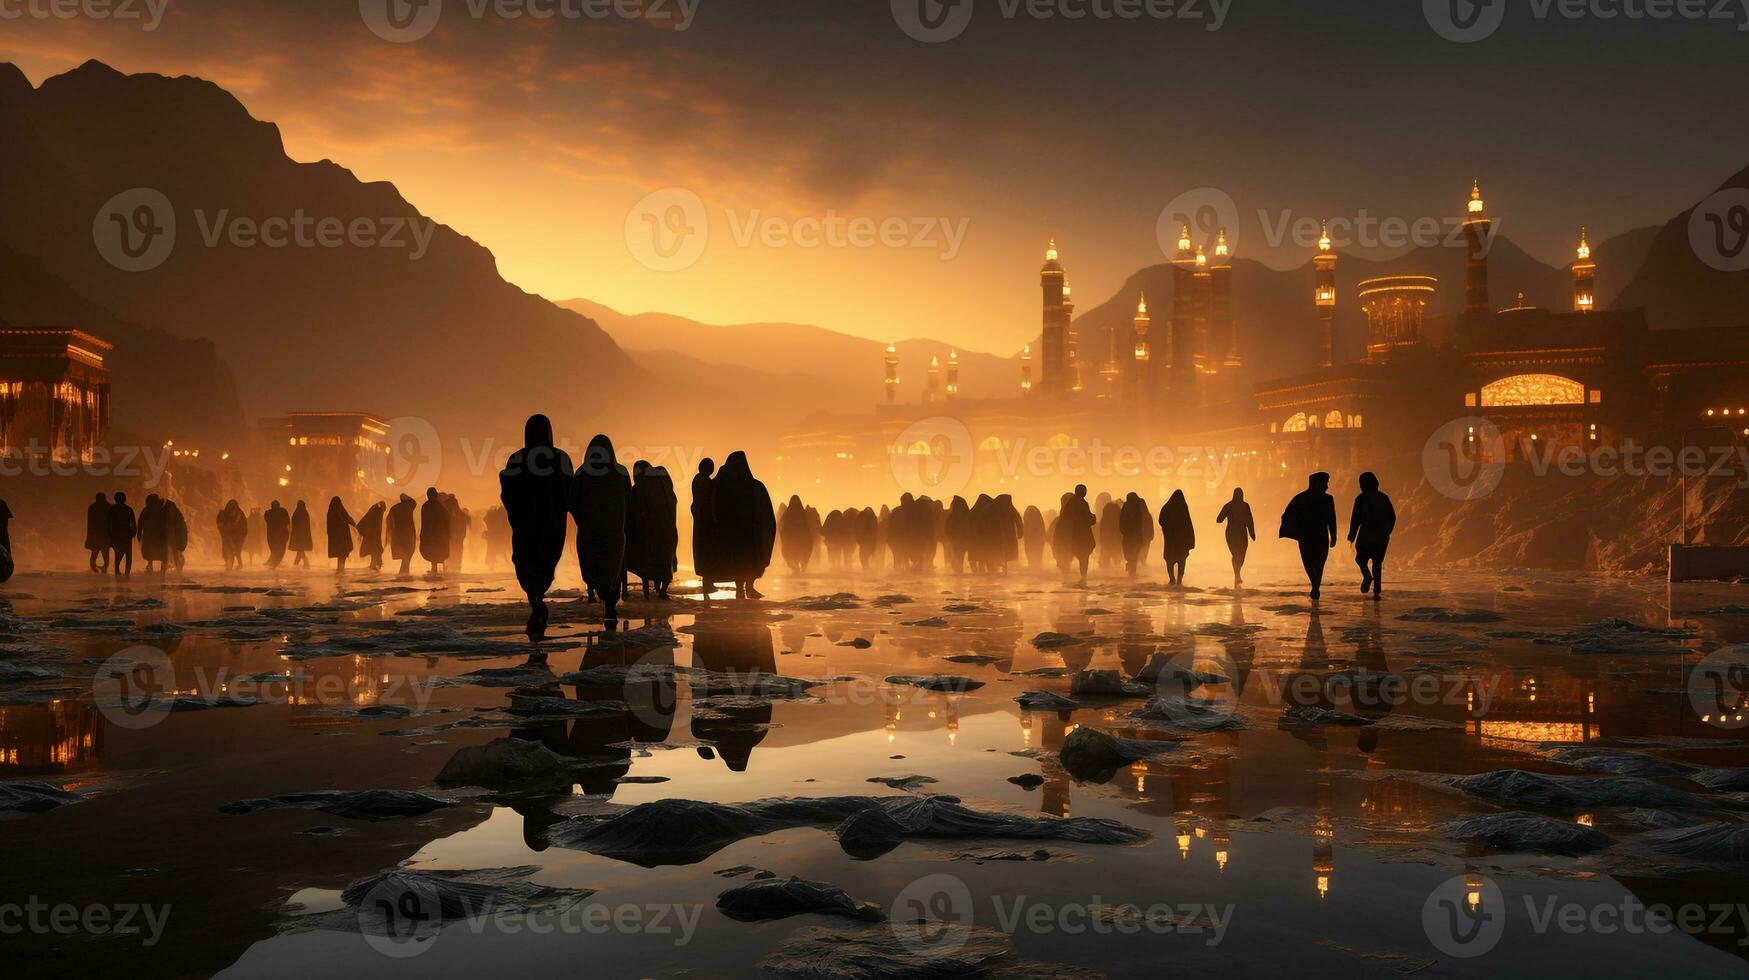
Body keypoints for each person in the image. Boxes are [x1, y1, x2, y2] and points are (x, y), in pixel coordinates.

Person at [500, 414, 574, 641]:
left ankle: (535, 598)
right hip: (551, 524)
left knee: (525, 560)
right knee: (545, 561)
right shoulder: (560, 458)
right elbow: (570, 489)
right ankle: (538, 597)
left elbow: (507, 489)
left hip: (526, 524)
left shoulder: (517, 459)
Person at [570, 434, 631, 626]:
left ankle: (604, 598)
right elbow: (629, 500)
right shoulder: (620, 473)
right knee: (613, 569)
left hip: (590, 532)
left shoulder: (581, 474)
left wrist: (582, 521)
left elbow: (571, 501)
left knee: (594, 568)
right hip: (614, 532)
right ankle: (610, 601)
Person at [712, 451, 775, 600]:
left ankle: (742, 588)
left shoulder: (726, 487)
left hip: (737, 532)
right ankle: (747, 587)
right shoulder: (754, 486)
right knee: (748, 560)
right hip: (747, 533)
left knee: (739, 560)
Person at [1281, 472, 1339, 600]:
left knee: (1314, 563)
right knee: (1313, 563)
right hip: (1314, 537)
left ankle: (1315, 586)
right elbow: (1287, 516)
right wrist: (1333, 536)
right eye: (1325, 483)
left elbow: (1331, 519)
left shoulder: (1302, 498)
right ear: (1318, 483)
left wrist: (1334, 536)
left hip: (1309, 537)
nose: (1327, 486)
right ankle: (1315, 585)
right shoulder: (1309, 499)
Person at [631, 463, 678, 599]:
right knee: (665, 563)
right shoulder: (668, 493)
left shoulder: (642, 490)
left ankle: (650, 592)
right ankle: (662, 589)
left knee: (650, 564)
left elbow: (636, 513)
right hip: (668, 533)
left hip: (650, 535)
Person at [1349, 472, 1397, 599]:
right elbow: (1392, 516)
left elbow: (1355, 519)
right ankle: (1377, 592)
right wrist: (1387, 531)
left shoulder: (1361, 498)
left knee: (1360, 559)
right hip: (1381, 537)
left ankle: (1366, 575)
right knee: (1377, 564)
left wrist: (1352, 535)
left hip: (1365, 535)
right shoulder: (1383, 497)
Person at [1055, 486, 1097, 584]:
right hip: (1082, 536)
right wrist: (1093, 518)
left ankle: (1065, 580)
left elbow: (1063, 521)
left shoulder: (1068, 504)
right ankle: (1083, 579)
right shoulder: (1083, 503)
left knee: (1068, 557)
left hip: (1070, 536)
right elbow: (1088, 519)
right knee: (1083, 558)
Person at [1215, 488, 1257, 587]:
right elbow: (1219, 519)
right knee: (1236, 554)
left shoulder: (1236, 506)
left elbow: (1249, 520)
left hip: (1238, 533)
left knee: (1241, 555)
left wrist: (1252, 533)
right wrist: (1251, 533)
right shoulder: (1232, 506)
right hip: (1234, 534)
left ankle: (1237, 574)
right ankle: (1237, 576)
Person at [691, 459, 721, 597]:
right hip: (705, 523)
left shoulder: (700, 479)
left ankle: (707, 581)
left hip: (701, 522)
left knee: (704, 552)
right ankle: (707, 582)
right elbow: (707, 498)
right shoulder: (703, 481)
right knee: (706, 552)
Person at [1157, 490, 1195, 587]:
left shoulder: (1167, 507)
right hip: (1182, 539)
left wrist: (1167, 528)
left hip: (1170, 538)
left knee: (1170, 560)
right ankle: (1179, 582)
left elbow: (1161, 520)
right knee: (1181, 560)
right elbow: (1188, 524)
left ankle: (1172, 580)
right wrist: (1190, 540)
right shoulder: (1183, 507)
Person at [1118, 492, 1151, 575]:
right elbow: (1146, 525)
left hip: (1128, 537)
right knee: (1135, 555)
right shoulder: (1141, 511)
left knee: (1130, 554)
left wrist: (1124, 532)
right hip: (1137, 537)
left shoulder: (1125, 509)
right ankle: (1133, 571)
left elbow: (1121, 523)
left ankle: (1131, 570)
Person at [420, 488, 451, 574]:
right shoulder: (440, 506)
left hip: (430, 533)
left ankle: (435, 569)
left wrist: (423, 533)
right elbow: (447, 519)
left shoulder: (425, 506)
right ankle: (438, 570)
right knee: (439, 552)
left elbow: (424, 522)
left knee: (432, 552)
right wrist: (447, 533)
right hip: (439, 534)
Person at [779, 495, 813, 573]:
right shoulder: (802, 513)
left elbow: (783, 527)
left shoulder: (787, 513)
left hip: (791, 538)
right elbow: (807, 526)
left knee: (792, 552)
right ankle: (800, 565)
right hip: (801, 538)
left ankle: (795, 567)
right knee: (801, 551)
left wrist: (784, 537)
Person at [388, 493, 417, 576]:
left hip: (398, 534)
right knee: (408, 553)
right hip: (408, 534)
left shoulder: (394, 508)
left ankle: (403, 573)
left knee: (405, 554)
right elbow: (414, 502)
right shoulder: (409, 506)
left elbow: (389, 521)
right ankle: (404, 574)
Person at [107, 492, 136, 577]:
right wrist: (134, 532)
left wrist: (109, 533)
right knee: (127, 554)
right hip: (126, 534)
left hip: (117, 534)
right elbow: (133, 522)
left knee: (118, 552)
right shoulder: (128, 509)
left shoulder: (112, 509)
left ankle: (117, 571)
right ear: (124, 499)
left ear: (115, 499)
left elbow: (109, 522)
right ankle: (126, 572)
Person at [138, 494, 167, 574]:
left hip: (150, 535)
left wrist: (139, 533)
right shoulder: (162, 510)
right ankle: (162, 569)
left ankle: (151, 568)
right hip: (160, 535)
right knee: (161, 553)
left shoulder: (146, 510)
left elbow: (141, 523)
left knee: (150, 553)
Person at [326, 496, 356, 573]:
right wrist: (355, 525)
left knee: (342, 555)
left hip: (340, 538)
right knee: (342, 555)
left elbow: (348, 519)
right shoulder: (340, 511)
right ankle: (340, 571)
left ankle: (340, 571)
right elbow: (349, 519)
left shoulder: (332, 512)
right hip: (342, 538)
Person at [356, 501, 386, 571]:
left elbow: (365, 521)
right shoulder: (377, 512)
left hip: (373, 539)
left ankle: (372, 572)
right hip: (374, 540)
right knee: (376, 554)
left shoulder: (373, 512)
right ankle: (372, 572)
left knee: (376, 555)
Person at [86, 493, 110, 572]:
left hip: (97, 534)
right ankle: (102, 569)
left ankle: (96, 569)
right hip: (103, 534)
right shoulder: (108, 506)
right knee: (104, 553)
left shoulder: (93, 507)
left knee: (96, 552)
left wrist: (89, 536)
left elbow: (90, 523)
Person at [264, 500, 291, 568]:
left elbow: (287, 521)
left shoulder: (271, 512)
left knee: (278, 550)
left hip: (279, 535)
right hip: (276, 535)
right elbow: (287, 521)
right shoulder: (281, 511)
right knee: (276, 550)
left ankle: (275, 563)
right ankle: (274, 563)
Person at [164, 499, 188, 571]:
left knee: (174, 551)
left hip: (174, 537)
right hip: (177, 538)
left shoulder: (168, 513)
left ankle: (175, 565)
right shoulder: (178, 514)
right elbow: (183, 528)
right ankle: (176, 566)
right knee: (176, 551)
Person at [289, 500, 314, 568]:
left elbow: (294, 523)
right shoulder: (305, 513)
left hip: (298, 536)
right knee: (300, 550)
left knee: (300, 550)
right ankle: (296, 564)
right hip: (303, 536)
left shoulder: (297, 512)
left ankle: (305, 563)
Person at [1023, 505, 1047, 569]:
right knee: (1037, 558)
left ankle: (1034, 569)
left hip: (1033, 540)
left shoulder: (1028, 517)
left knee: (1033, 558)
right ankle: (1036, 569)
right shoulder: (1039, 520)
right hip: (1037, 541)